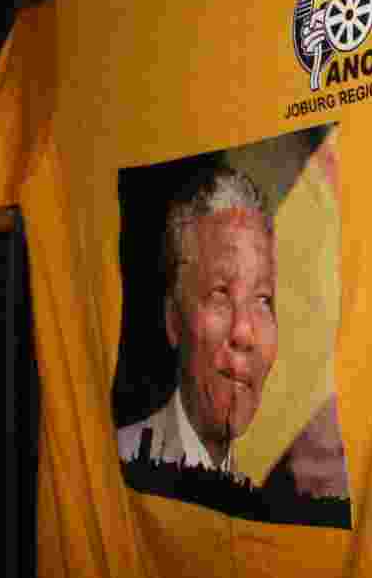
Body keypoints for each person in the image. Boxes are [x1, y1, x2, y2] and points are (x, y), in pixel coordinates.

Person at [118, 167, 278, 473]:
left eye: (263, 299)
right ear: (173, 320)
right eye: (220, 293)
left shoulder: (264, 504)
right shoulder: (114, 467)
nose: (245, 333)